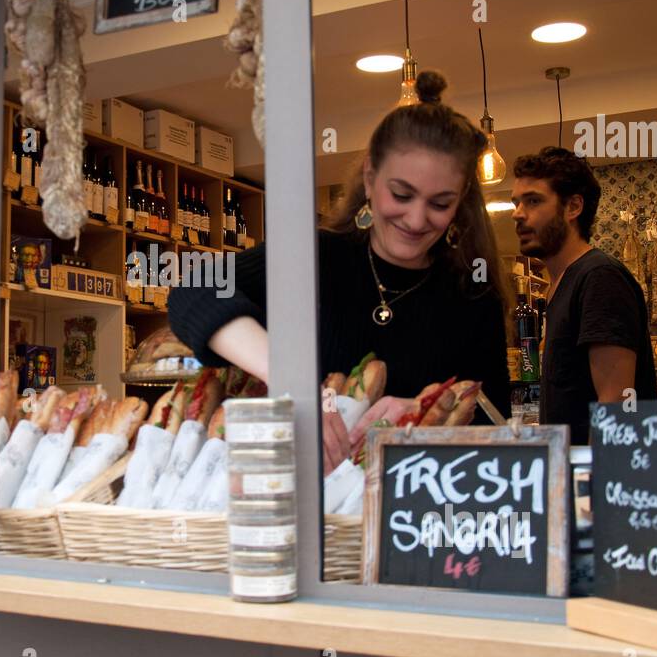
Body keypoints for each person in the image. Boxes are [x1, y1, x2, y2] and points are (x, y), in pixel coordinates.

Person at [169, 70, 512, 472]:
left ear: (462, 200)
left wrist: (428, 414)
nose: (417, 219)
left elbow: (497, 428)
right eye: (401, 194)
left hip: (405, 515)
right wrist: (298, 388)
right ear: (369, 178)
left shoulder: (471, 296)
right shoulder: (318, 257)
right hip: (291, 503)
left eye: (440, 203)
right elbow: (197, 287)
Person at [509, 146, 657, 444]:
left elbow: (615, 404)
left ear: (573, 207)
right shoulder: (562, 282)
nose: (518, 214)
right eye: (516, 203)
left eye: (533, 201)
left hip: (601, 481)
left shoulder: (599, 277)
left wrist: (592, 484)